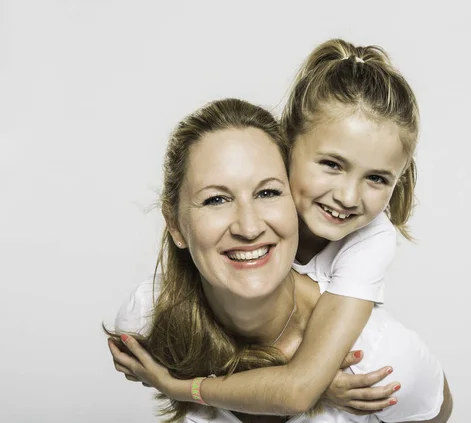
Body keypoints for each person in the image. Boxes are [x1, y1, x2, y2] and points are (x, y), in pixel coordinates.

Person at [113, 38, 428, 414]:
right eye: (331, 164)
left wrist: (182, 387)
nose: (347, 196)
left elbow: (300, 389)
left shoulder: (372, 243)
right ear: (288, 149)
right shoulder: (153, 309)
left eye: (376, 178)